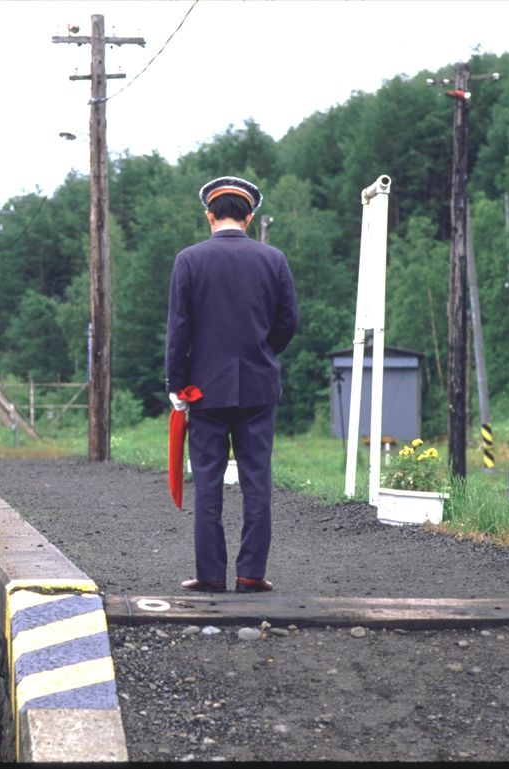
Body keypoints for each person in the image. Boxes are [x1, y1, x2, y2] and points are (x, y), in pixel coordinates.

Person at [165, 175, 299, 594]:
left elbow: (179, 328)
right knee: (257, 479)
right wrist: (263, 352)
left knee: (208, 480)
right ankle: (250, 574)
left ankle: (209, 575)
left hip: (204, 390)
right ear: (250, 216)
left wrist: (177, 381)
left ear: (209, 215)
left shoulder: (188, 259)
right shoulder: (273, 259)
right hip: (259, 388)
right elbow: (287, 323)